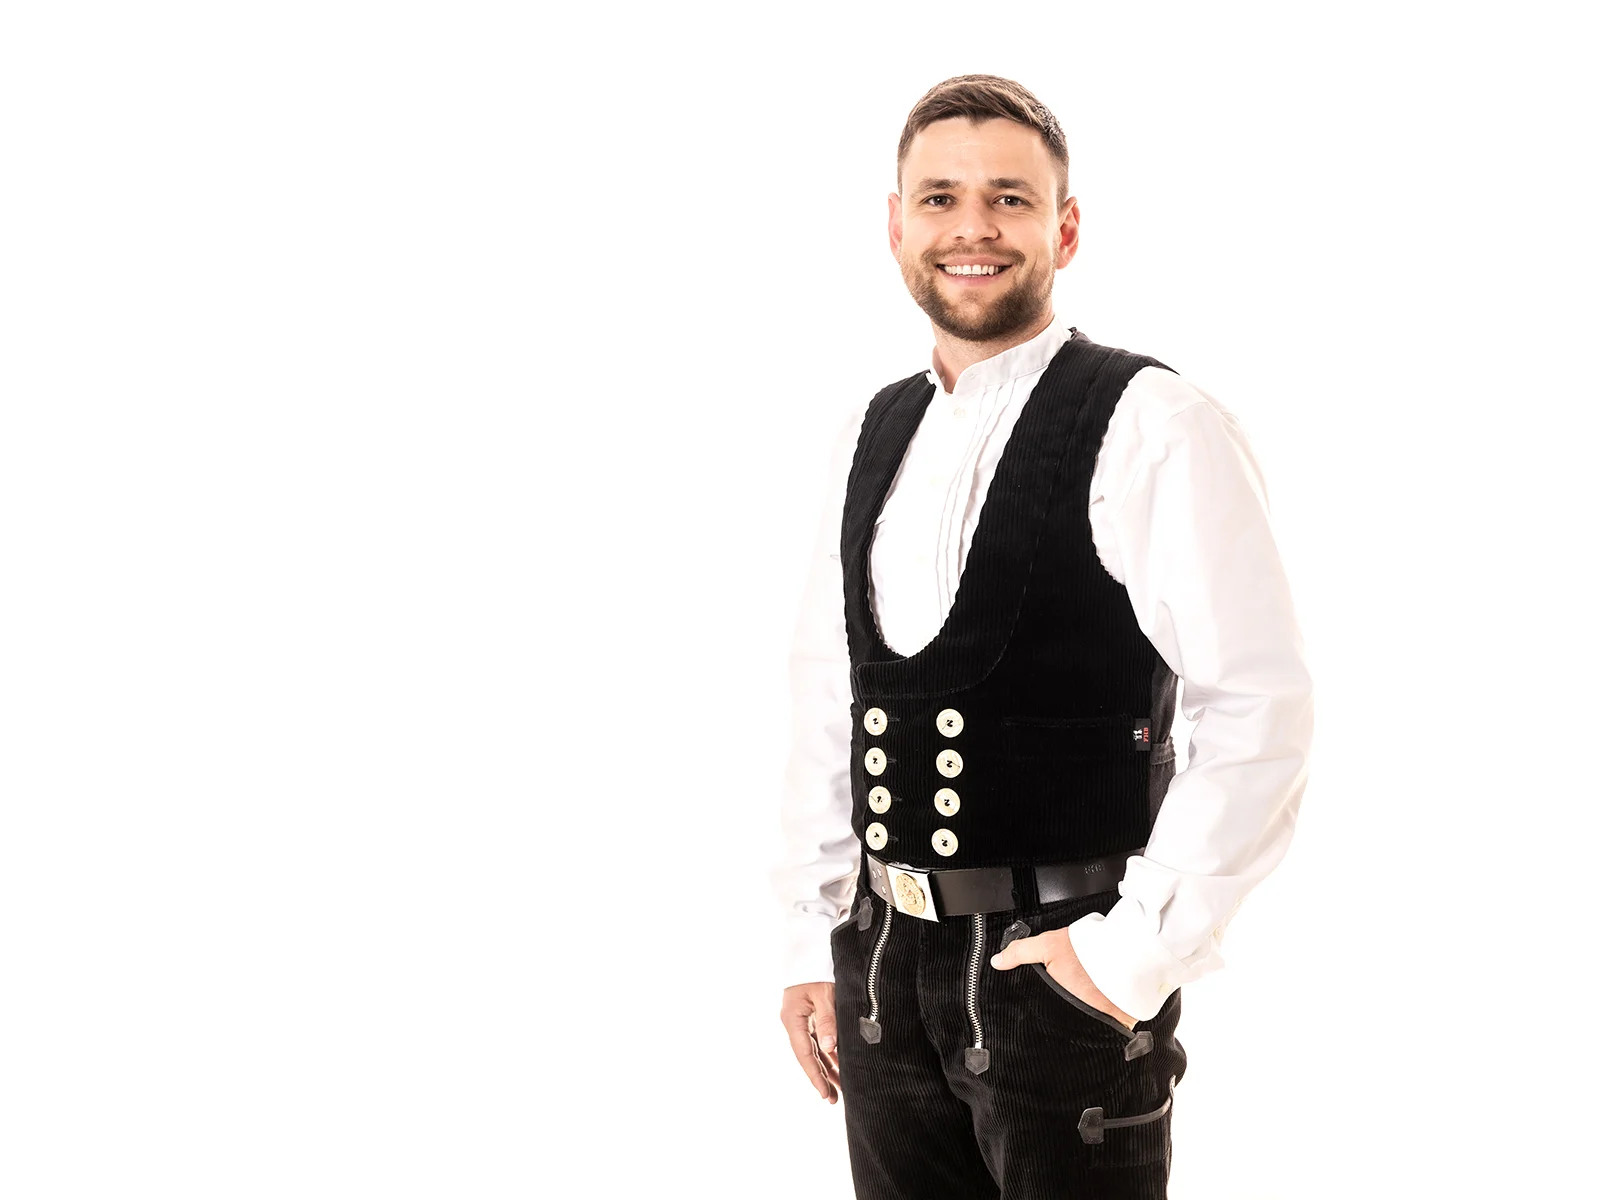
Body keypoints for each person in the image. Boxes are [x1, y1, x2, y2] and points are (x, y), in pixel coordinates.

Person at [770, 74, 1315, 1198]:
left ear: (1064, 230)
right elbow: (830, 693)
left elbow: (1259, 710)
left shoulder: (1153, 422)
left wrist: (1126, 960)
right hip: (877, 974)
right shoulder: (869, 430)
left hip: (1059, 969)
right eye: (940, 199)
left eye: (1009, 199)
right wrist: (807, 940)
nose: (971, 228)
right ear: (896, 225)